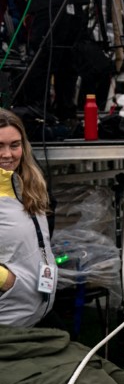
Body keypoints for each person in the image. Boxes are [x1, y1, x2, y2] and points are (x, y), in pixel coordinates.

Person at [0, 108, 56, 327]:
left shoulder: (28, 184)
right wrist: (8, 281)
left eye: (14, 145)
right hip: (7, 319)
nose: (7, 154)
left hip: (35, 313)